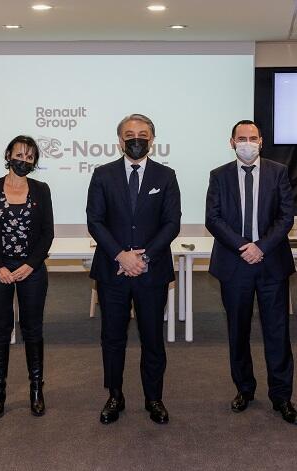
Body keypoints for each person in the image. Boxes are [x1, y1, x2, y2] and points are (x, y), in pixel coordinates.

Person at [86, 113, 181, 425]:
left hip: (151, 272)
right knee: (112, 338)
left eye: (142, 135)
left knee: (152, 338)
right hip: (112, 271)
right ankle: (115, 395)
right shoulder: (103, 174)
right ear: (120, 141)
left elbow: (172, 223)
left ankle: (154, 398)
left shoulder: (166, 176)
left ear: (152, 140)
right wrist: (120, 256)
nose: (136, 140)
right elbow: (95, 220)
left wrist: (144, 257)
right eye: (129, 135)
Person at [205, 120, 297, 425]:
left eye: (252, 138)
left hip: (271, 263)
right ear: (232, 142)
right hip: (235, 265)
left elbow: (286, 216)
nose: (247, 143)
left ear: (261, 142)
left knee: (277, 333)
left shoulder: (278, 172)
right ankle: (244, 389)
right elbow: (213, 219)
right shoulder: (219, 175)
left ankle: (282, 397)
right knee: (238, 331)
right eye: (241, 138)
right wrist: (243, 247)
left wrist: (261, 247)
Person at [0, 135, 54, 419]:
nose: (24, 160)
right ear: (8, 155)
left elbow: (47, 233)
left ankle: (36, 390)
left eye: (30, 157)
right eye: (19, 154)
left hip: (31, 270)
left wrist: (31, 265)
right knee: (0, 330)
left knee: (33, 330)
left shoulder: (41, 190)